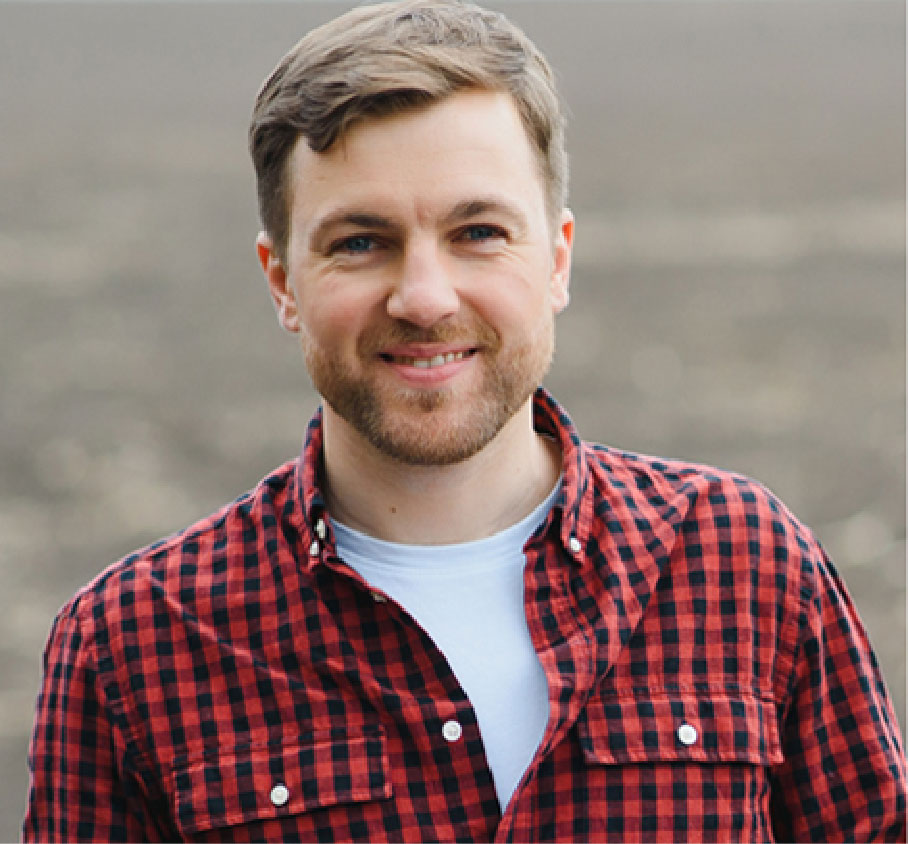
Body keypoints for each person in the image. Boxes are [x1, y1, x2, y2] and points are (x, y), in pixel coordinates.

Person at [22, 1, 906, 841]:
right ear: (282, 281)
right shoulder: (131, 648)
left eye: (478, 232)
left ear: (556, 259)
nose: (424, 297)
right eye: (359, 242)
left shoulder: (744, 564)